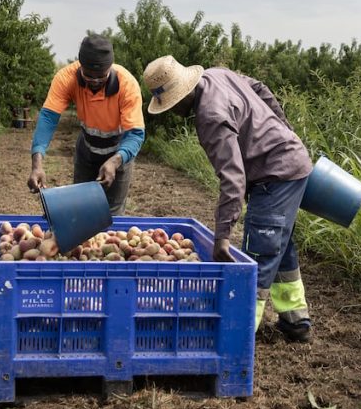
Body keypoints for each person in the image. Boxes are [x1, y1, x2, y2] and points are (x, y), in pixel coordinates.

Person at [142, 55, 314, 343]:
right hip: (291, 163)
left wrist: (222, 236)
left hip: (275, 174)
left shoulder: (209, 116)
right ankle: (296, 321)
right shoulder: (216, 75)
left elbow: (233, 179)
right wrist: (284, 131)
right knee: (280, 246)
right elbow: (261, 88)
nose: (173, 112)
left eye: (171, 105)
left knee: (259, 251)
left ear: (182, 95)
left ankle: (238, 335)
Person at [27, 35, 146, 214]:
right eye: (89, 76)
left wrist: (115, 161)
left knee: (112, 214)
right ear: (80, 65)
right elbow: (48, 119)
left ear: (110, 67)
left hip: (118, 153)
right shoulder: (66, 78)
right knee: (81, 210)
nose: (95, 81)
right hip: (87, 151)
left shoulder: (127, 85)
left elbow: (135, 134)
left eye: (101, 77)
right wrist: (37, 164)